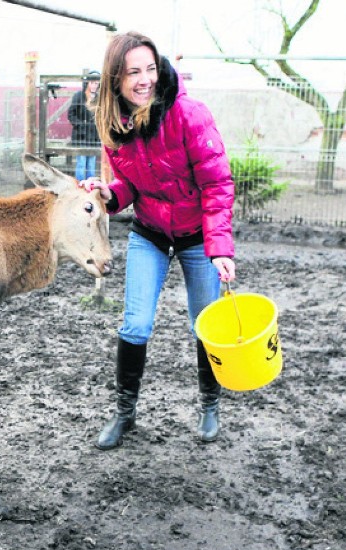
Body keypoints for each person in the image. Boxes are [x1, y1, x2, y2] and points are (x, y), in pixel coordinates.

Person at [80, 32, 236, 449]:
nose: (144, 78)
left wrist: (219, 248)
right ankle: (124, 413)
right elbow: (130, 185)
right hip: (149, 231)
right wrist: (109, 193)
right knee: (135, 324)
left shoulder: (189, 114)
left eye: (150, 68)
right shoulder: (115, 125)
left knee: (205, 325)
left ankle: (209, 405)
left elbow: (218, 185)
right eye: (133, 71)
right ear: (117, 78)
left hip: (197, 235)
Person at [67, 70, 101, 181]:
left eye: (97, 83)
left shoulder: (99, 99)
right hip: (81, 136)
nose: (94, 86)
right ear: (87, 83)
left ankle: (90, 187)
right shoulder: (79, 96)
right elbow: (71, 114)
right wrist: (81, 125)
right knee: (81, 163)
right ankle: (80, 186)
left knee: (91, 164)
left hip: (94, 137)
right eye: (92, 83)